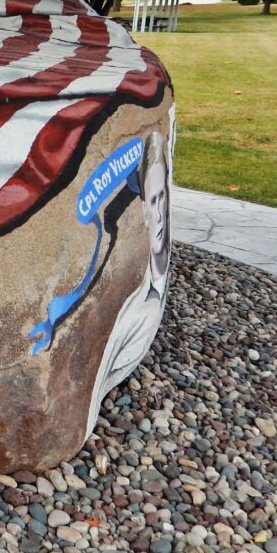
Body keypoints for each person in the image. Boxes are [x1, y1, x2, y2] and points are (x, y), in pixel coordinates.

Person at [84, 127, 172, 440]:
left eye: (162, 197)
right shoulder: (133, 311)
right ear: (144, 213)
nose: (159, 214)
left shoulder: (150, 284)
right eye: (152, 202)